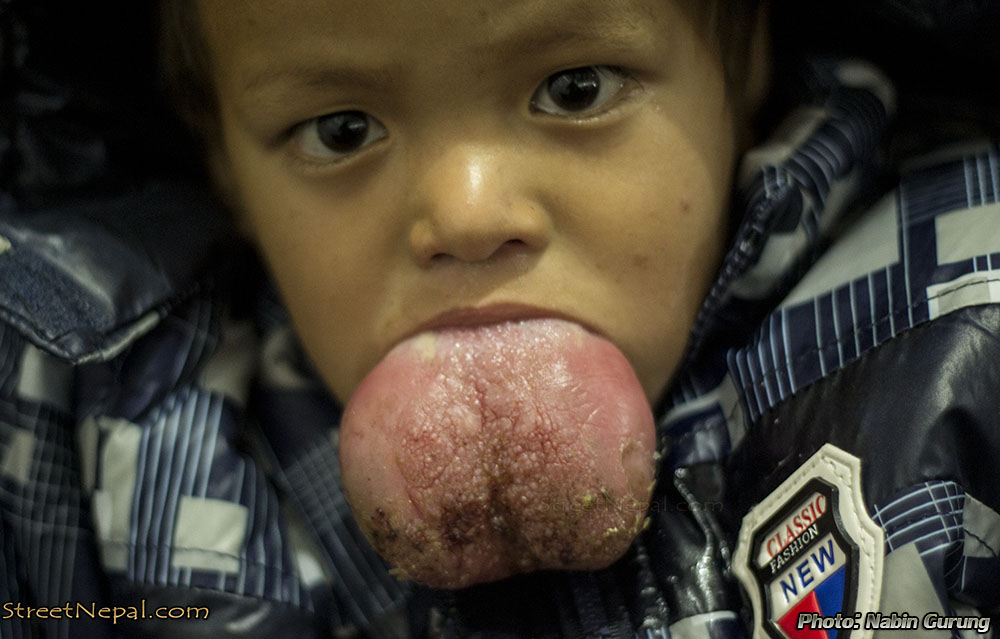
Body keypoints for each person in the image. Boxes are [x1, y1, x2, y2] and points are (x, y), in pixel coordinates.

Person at [0, 1, 996, 638]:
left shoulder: (965, 325)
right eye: (341, 131)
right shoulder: (108, 468)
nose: (467, 213)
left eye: (574, 89)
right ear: (224, 167)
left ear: (743, 68)